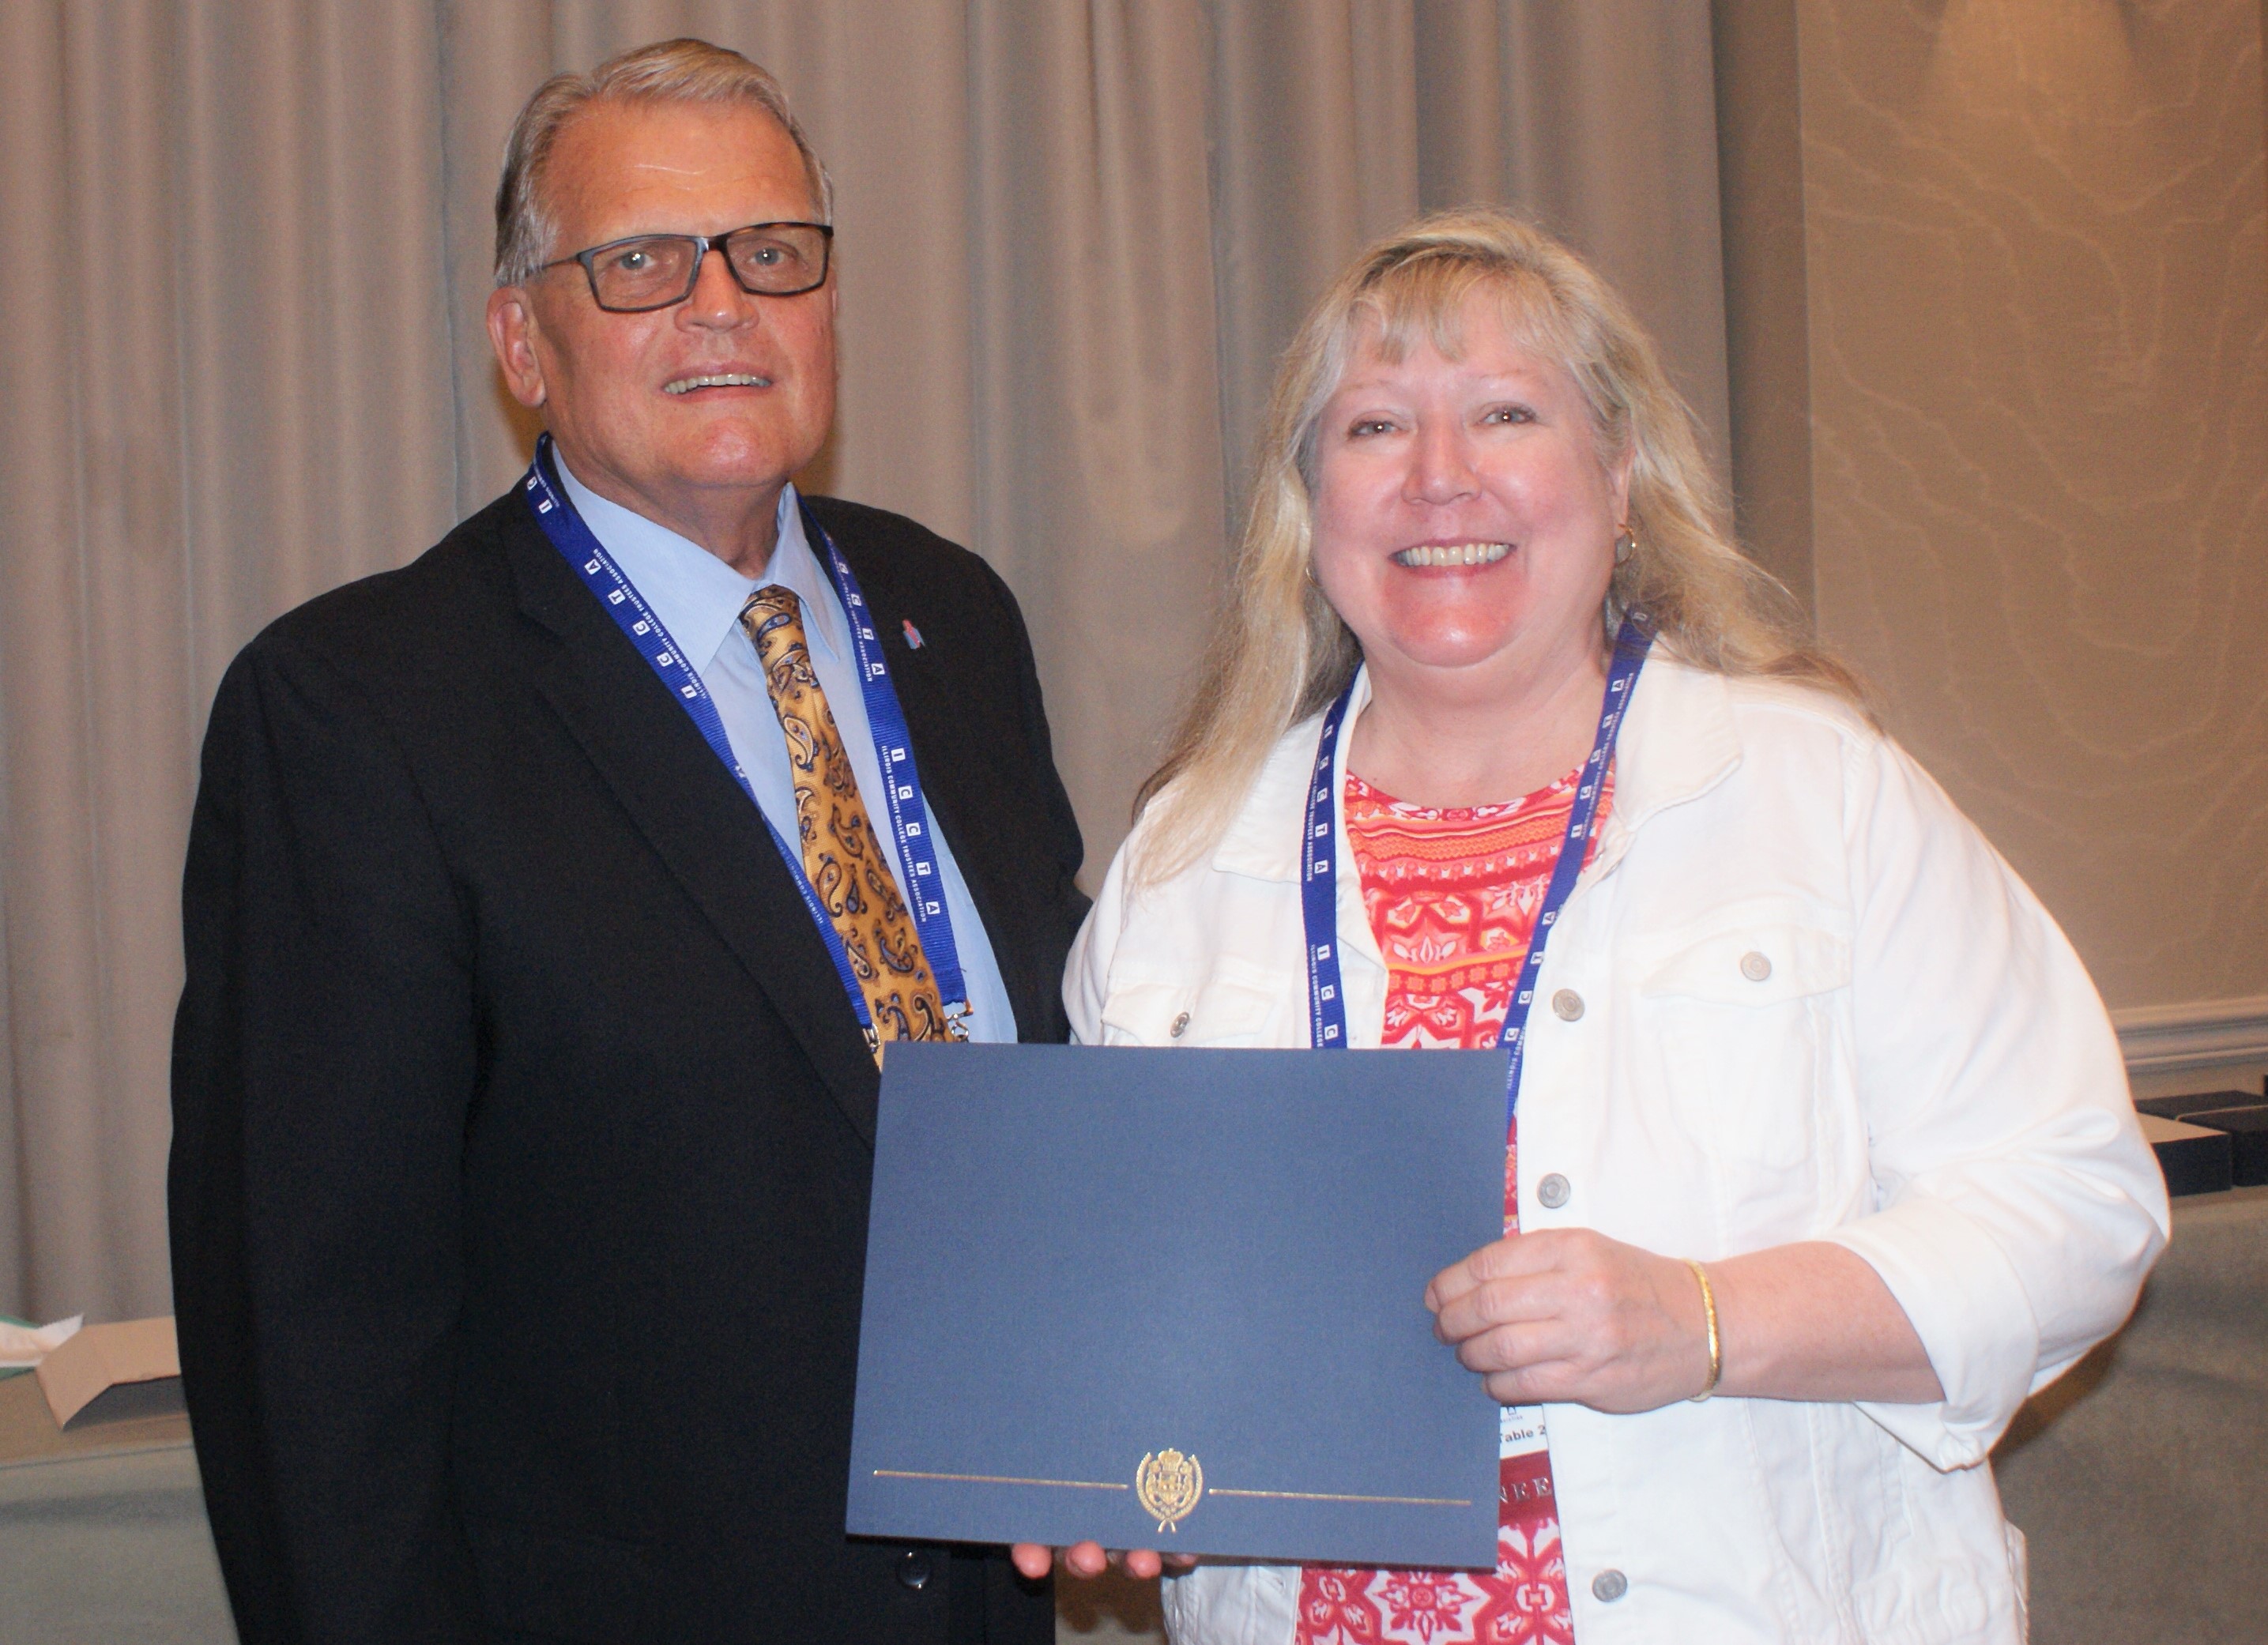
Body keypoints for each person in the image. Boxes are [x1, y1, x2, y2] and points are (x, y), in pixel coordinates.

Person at [1030, 209, 2167, 1643]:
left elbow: (2076, 1207)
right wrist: (1100, 1450)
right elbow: (1122, 1296)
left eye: (1505, 412)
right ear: (1310, 500)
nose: (1440, 479)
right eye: (1376, 426)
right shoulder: (1182, 858)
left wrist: (1700, 1320)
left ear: (1619, 475)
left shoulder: (1817, 794)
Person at [169, 40, 1080, 1644]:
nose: (722, 304)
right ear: (525, 340)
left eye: (773, 251)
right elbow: (314, 1342)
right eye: (642, 262)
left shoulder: (954, 613)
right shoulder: (359, 711)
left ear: (829, 307)